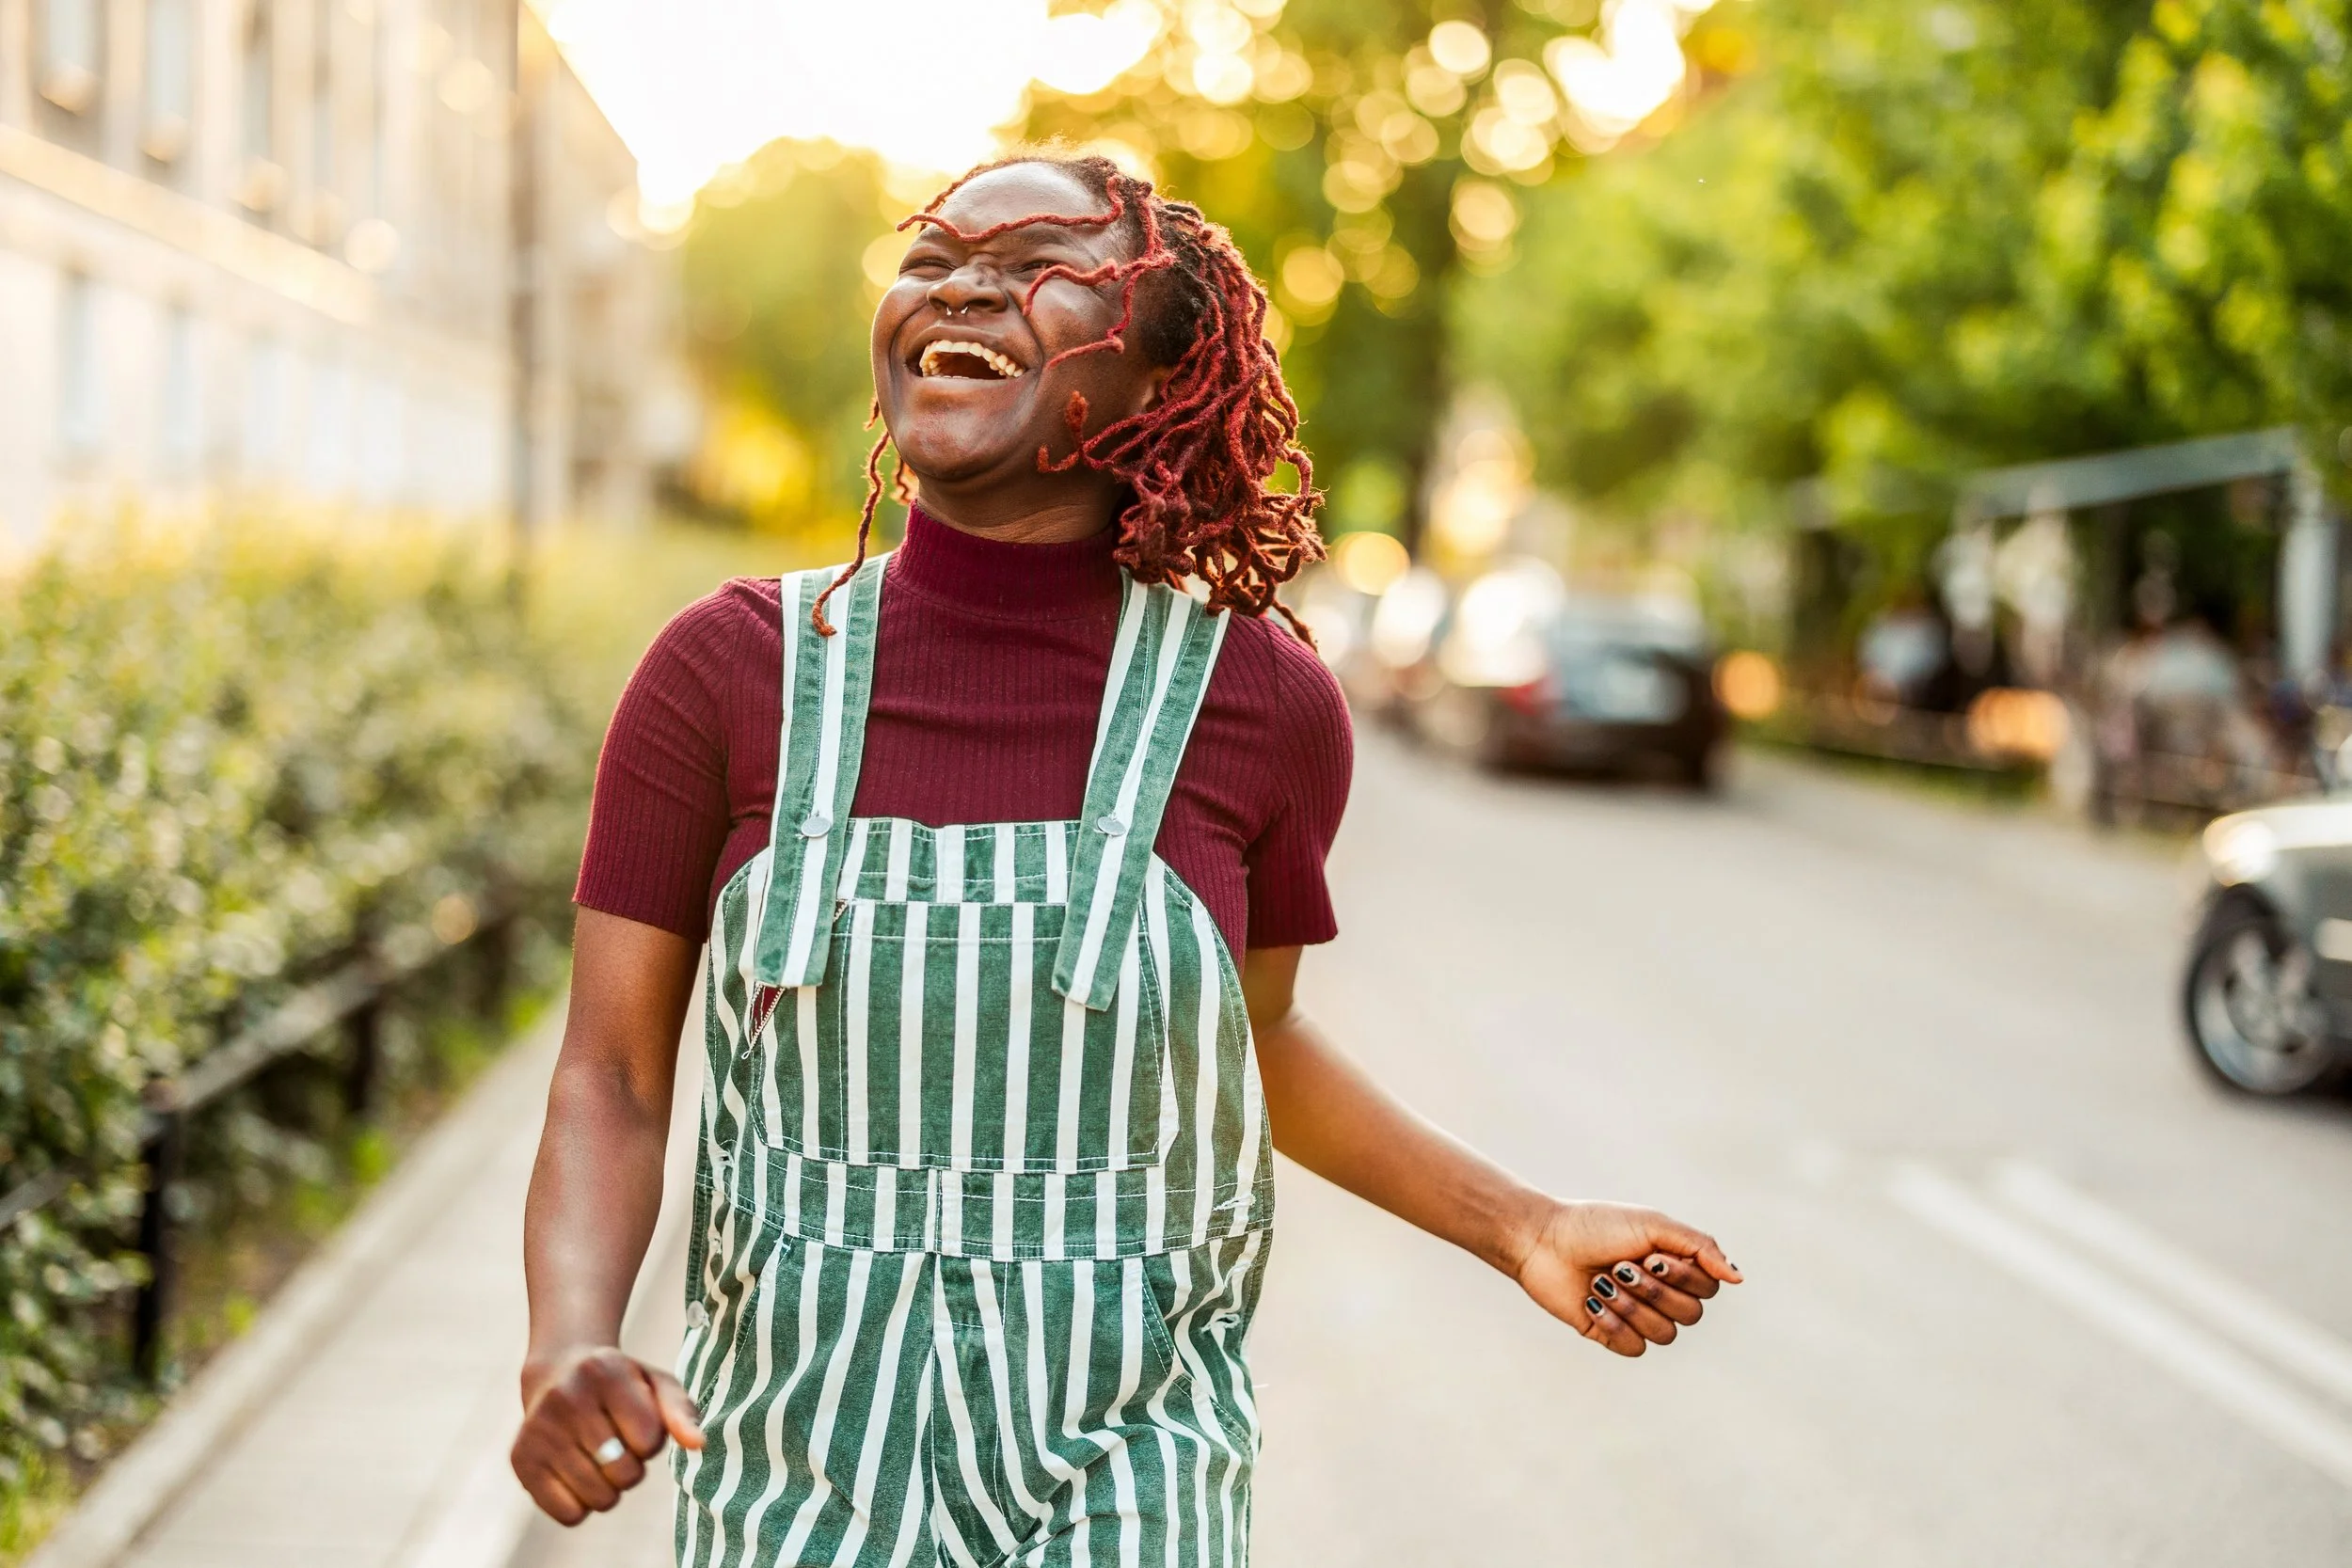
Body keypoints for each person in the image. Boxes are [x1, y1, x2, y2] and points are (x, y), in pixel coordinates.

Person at [513, 152, 1741, 1567]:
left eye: (1041, 258)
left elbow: (1252, 1041)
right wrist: (569, 1337)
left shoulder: (1260, 704)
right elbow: (608, 1076)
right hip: (794, 1489)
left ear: (1158, 381)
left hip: (1127, 1488)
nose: (961, 282)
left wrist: (1523, 1225)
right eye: (932, 256)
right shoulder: (728, 672)